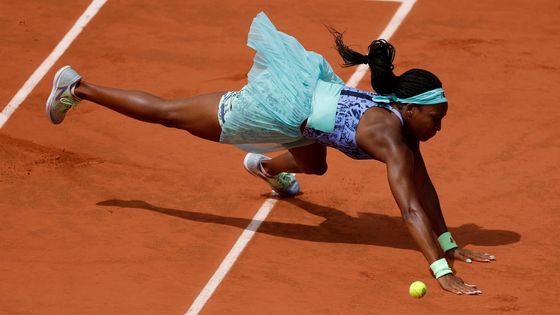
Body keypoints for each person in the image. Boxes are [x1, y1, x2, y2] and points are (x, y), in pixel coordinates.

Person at [46, 12, 495, 295]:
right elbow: (410, 207)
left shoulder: (403, 124)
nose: (439, 126)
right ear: (412, 110)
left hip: (309, 107)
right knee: (171, 114)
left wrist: (453, 244)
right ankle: (78, 86)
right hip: (279, 104)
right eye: (436, 117)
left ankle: (262, 165)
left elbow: (425, 184)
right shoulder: (390, 139)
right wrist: (440, 268)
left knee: (314, 165)